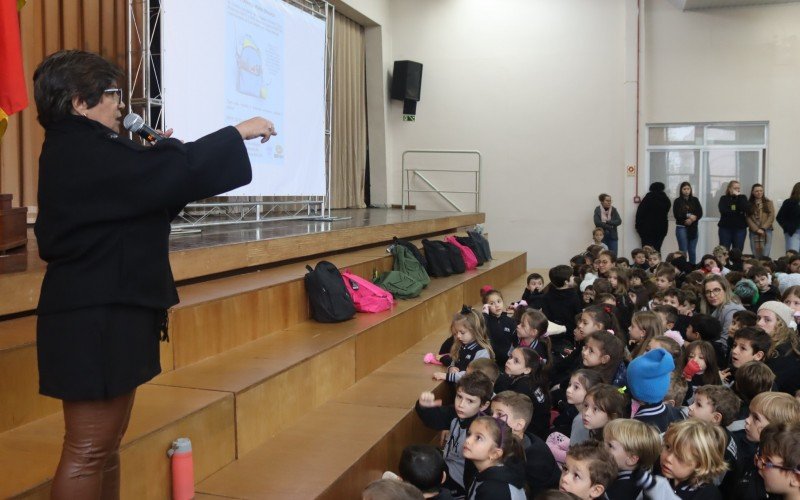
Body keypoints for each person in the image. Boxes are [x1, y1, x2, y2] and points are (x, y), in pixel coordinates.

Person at [32, 50, 276, 499]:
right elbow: (167, 174)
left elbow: (153, 191)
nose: (120, 106)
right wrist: (237, 132)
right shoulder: (80, 148)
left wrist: (158, 156)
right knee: (88, 450)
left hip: (110, 311)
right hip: (94, 317)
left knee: (104, 448)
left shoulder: (93, 148)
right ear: (77, 103)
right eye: (111, 95)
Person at [416, 372, 495, 497]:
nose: (461, 405)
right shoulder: (456, 412)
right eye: (459, 397)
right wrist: (423, 406)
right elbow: (434, 420)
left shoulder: (482, 429)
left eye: (470, 401)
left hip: (459, 481)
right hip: (447, 465)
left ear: (483, 405)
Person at [490, 391, 561, 496]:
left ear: (519, 425)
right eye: (491, 413)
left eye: (499, 414)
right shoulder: (507, 441)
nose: (492, 418)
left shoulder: (534, 459)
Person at [462, 416, 526, 499]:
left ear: (495, 453)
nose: (468, 440)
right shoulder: (482, 473)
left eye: (478, 438)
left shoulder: (494, 490)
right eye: (469, 434)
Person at [602, 419, 662, 500]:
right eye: (604, 442)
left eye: (610, 445)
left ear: (631, 459)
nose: (602, 447)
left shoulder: (621, 491)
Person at [434, 307, 494, 383]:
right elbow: (454, 360)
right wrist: (451, 368)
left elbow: (472, 376)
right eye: (456, 332)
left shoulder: (482, 352)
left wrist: (446, 376)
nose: (458, 336)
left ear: (475, 331)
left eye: (462, 332)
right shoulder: (460, 345)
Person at [700, 274, 745, 341]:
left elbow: (725, 343)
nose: (712, 295)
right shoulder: (718, 307)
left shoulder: (732, 311)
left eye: (716, 290)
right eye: (707, 292)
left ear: (725, 290)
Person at [673, 181, 703, 265]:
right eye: (684, 189)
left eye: (688, 189)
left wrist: (693, 219)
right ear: (681, 190)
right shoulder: (677, 201)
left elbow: (699, 213)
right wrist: (689, 218)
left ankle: (692, 268)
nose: (686, 191)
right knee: (683, 250)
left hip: (693, 228)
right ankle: (682, 268)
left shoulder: (695, 200)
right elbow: (677, 215)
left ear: (691, 190)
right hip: (681, 227)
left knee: (692, 250)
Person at [636, 181, 671, 252]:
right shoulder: (666, 199)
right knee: (657, 249)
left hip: (646, 229)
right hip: (661, 228)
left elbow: (640, 213)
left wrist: (638, 226)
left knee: (646, 250)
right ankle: (658, 262)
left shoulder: (648, 197)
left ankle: (647, 263)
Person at [718, 180, 750, 252]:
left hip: (740, 229)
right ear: (729, 189)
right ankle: (724, 263)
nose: (737, 190)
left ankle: (737, 263)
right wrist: (738, 212)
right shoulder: (723, 198)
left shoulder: (742, 197)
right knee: (724, 251)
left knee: (738, 251)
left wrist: (739, 197)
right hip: (725, 228)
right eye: (735, 188)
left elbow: (746, 209)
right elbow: (723, 211)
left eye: (738, 188)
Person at [746, 184, 775, 259]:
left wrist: (763, 228)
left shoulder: (769, 202)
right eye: (757, 191)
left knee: (766, 252)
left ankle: (765, 268)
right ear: (753, 192)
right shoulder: (748, 203)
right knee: (755, 253)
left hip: (767, 231)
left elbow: (771, 216)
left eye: (761, 191)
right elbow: (747, 217)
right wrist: (756, 229)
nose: (759, 192)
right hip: (754, 231)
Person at [777, 182, 800, 253]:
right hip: (794, 232)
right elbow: (780, 217)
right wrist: (787, 227)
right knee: (792, 255)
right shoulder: (789, 202)